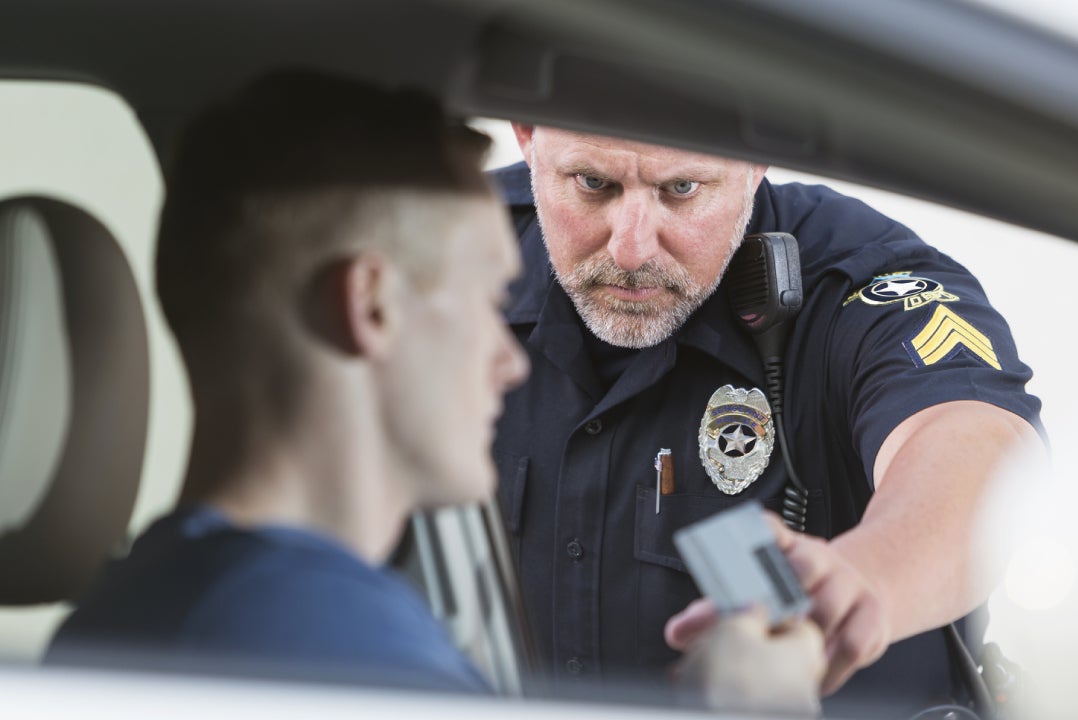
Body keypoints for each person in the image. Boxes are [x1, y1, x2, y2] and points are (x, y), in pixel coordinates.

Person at [43, 69, 826, 714]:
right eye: (487, 299)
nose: (510, 362)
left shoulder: (134, 612)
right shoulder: (336, 655)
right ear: (372, 307)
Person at [489, 124, 1047, 714]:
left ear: (758, 158)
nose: (631, 248)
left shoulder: (857, 278)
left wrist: (859, 584)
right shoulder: (440, 249)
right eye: (593, 184)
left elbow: (981, 449)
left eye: (681, 188)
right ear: (527, 137)